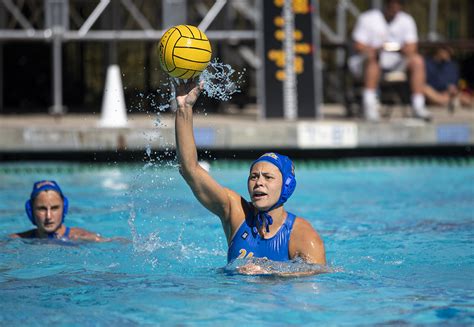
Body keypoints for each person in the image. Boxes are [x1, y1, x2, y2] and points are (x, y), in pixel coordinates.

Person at [173, 80, 326, 274]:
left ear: (286, 186)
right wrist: (184, 108)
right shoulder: (236, 213)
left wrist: (270, 273)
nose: (259, 182)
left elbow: (319, 278)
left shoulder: (303, 235)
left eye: (268, 177)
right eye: (254, 176)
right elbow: (190, 170)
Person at [348, 0, 432, 121]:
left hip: (395, 63)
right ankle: (369, 105)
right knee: (373, 59)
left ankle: (418, 106)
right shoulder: (367, 18)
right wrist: (376, 49)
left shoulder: (407, 20)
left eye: (399, 4)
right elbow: (358, 45)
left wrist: (396, 48)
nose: (395, 7)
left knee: (417, 61)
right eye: (393, 3)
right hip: (366, 63)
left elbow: (412, 48)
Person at [10, 180, 105, 242]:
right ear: (31, 211)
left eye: (55, 208)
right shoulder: (18, 239)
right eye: (42, 209)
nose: (48, 216)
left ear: (64, 208)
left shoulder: (84, 238)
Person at [424, 46, 473, 110]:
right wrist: (445, 89)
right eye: (446, 50)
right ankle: (447, 102)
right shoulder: (427, 63)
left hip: (451, 94)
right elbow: (428, 82)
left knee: (466, 99)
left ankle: (449, 101)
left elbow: (455, 83)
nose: (450, 52)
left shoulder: (453, 65)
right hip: (435, 93)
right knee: (425, 89)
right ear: (439, 50)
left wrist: (452, 90)